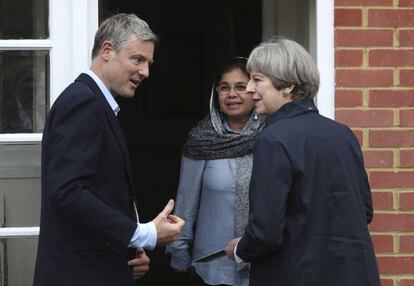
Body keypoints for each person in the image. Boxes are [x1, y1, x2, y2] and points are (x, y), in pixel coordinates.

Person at [33, 13, 184, 286]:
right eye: (137, 59)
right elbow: (69, 192)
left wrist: (128, 252)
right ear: (106, 50)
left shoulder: (94, 103)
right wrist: (143, 234)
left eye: (148, 63)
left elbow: (98, 193)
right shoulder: (84, 103)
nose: (145, 72)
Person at [224, 36, 380, 286]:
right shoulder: (343, 135)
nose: (249, 88)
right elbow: (364, 212)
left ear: (287, 87)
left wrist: (240, 249)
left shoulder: (274, 138)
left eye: (257, 79)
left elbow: (265, 233)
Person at [166, 57, 264, 286]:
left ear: (254, 91)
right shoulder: (202, 140)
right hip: (212, 266)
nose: (232, 94)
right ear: (216, 94)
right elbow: (186, 200)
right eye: (224, 87)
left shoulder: (273, 137)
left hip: (263, 264)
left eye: (241, 87)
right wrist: (179, 250)